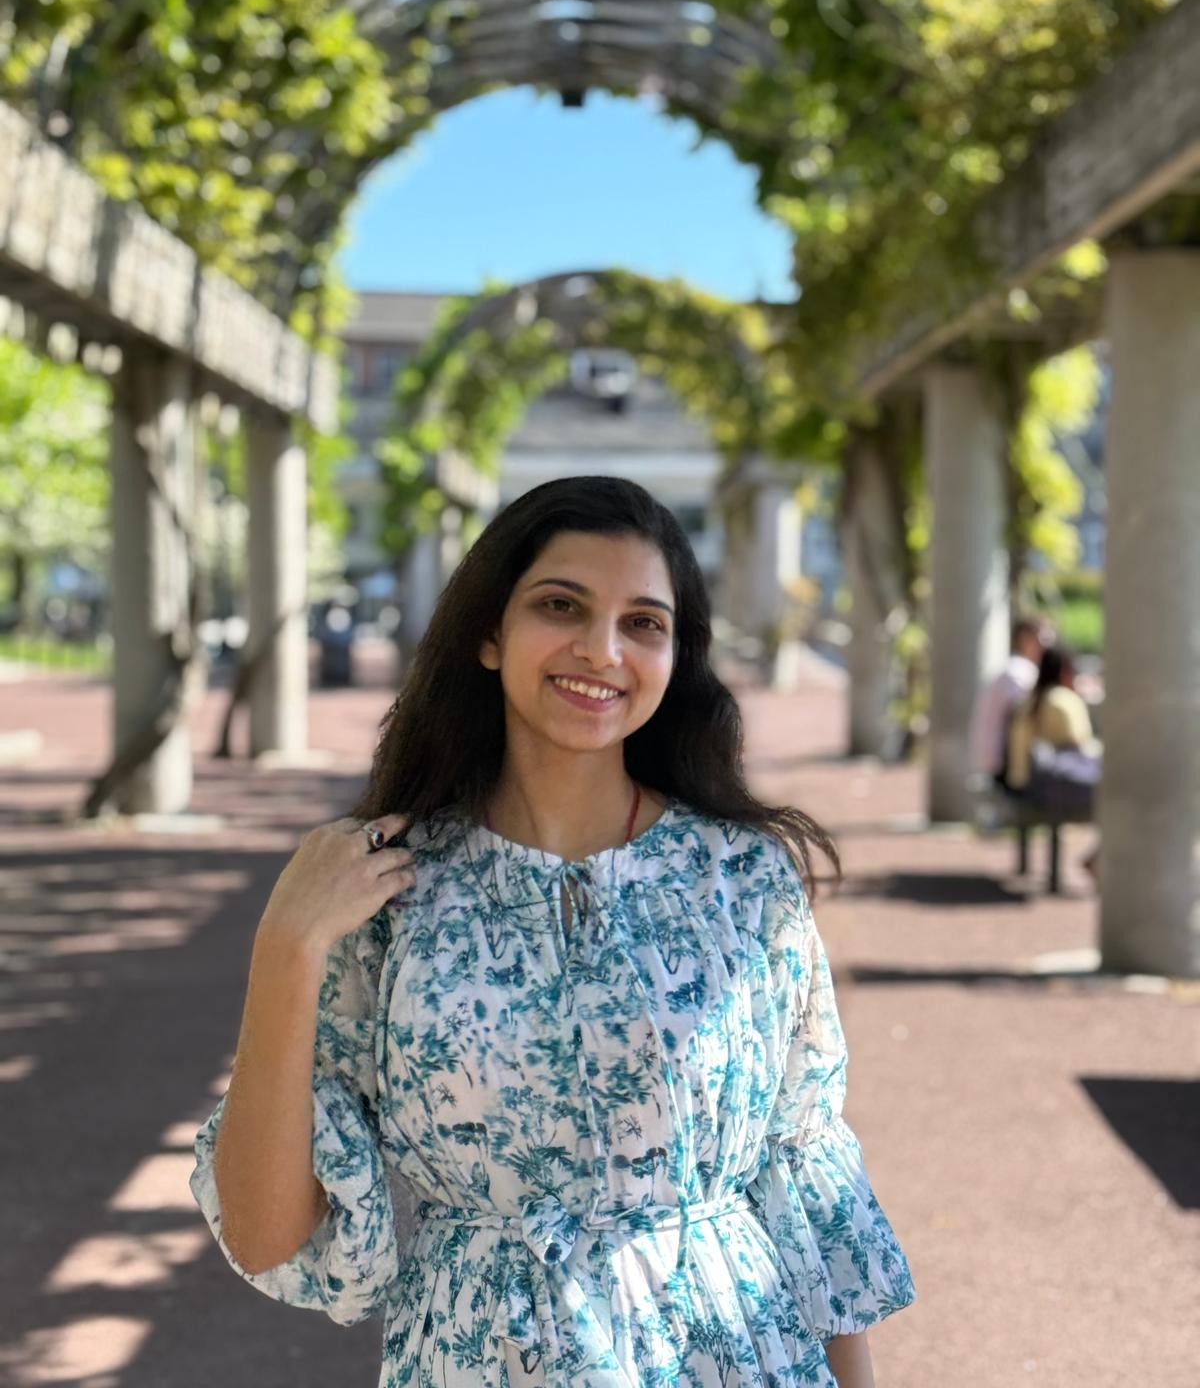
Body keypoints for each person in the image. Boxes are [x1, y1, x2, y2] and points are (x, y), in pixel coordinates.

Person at [190, 475, 916, 1388]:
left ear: (674, 657)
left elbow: (802, 1178)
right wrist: (285, 947)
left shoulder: (743, 876)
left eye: (644, 622)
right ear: (490, 633)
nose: (601, 649)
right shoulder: (382, 890)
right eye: (560, 605)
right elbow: (264, 1235)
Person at [1006, 643, 1102, 882]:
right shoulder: (1064, 701)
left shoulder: (1030, 699)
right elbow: (1083, 747)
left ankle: (1097, 858)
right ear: (1065, 672)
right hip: (1051, 789)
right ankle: (1098, 858)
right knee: (1122, 800)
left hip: (1024, 783)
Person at [969, 617, 1053, 789]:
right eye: (1044, 639)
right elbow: (1032, 714)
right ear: (1024, 639)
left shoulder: (1016, 669)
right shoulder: (1018, 672)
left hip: (999, 761)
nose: (1049, 646)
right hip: (1005, 765)